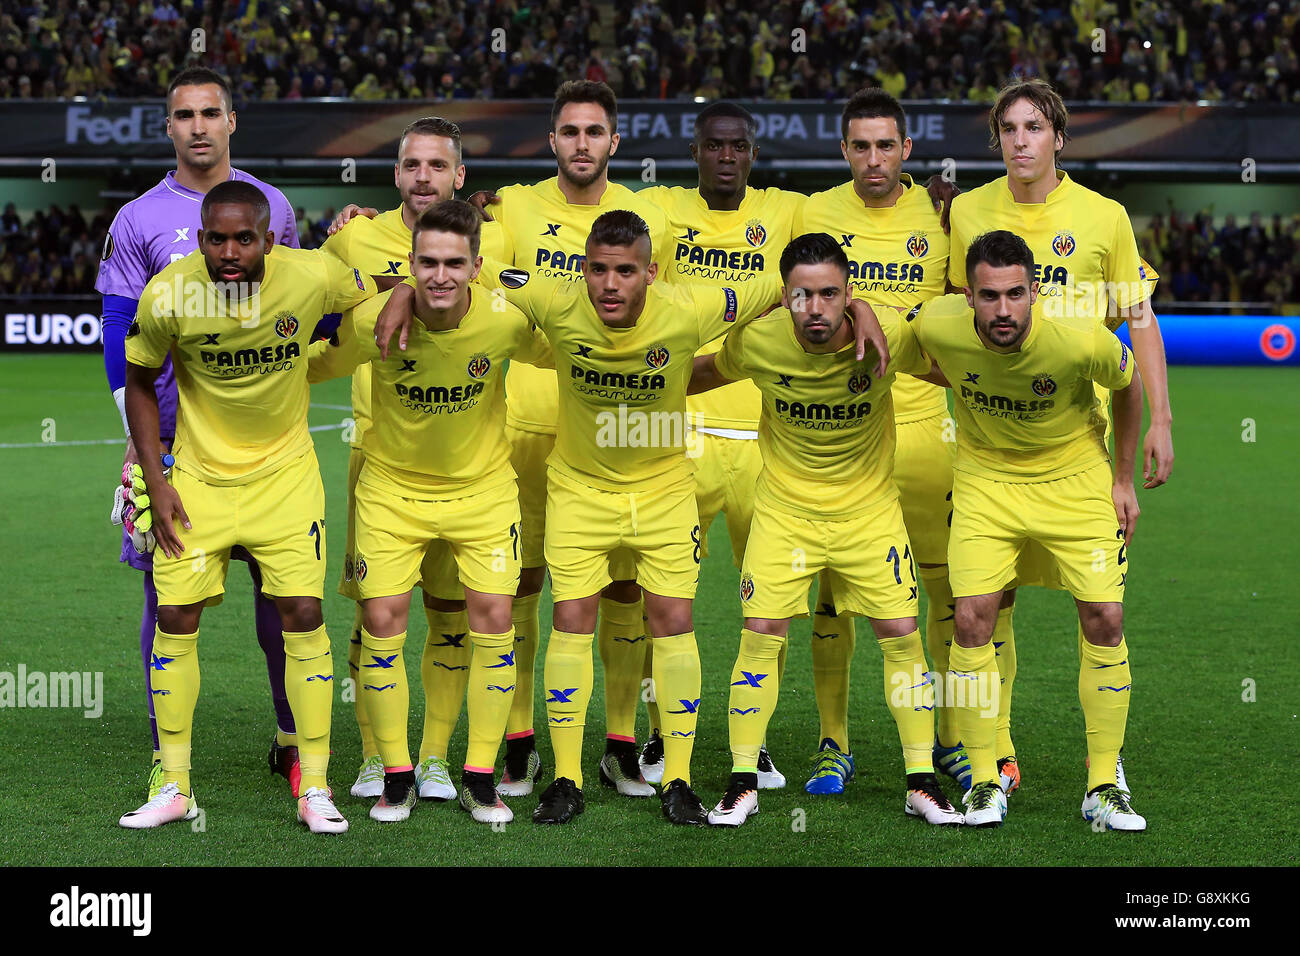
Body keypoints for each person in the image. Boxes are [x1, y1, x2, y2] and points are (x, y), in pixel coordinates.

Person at [375, 210, 890, 825]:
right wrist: (404, 289)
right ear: (582, 271)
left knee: (673, 621)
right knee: (572, 618)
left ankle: (676, 778)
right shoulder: (551, 297)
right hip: (579, 490)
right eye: (598, 270)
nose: (610, 285)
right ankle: (565, 779)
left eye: (625, 272)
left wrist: (861, 310)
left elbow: (786, 288)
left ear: (651, 272)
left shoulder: (694, 307)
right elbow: (467, 278)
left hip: (665, 490)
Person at [117, 181, 377, 833]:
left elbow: (372, 292)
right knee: (174, 616)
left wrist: (367, 246)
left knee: (303, 614)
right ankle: (174, 784)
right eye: (215, 238)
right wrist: (158, 477)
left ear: (269, 238)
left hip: (286, 480)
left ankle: (314, 786)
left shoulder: (311, 272)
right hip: (198, 482)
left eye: (243, 238)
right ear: (201, 235)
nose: (228, 251)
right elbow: (142, 383)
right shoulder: (170, 291)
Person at [688, 232, 964, 828]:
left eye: (830, 295)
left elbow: (952, 370)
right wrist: (624, 377)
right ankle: (742, 782)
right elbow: (701, 374)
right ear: (782, 297)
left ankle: (920, 781)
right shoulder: (756, 341)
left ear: (849, 295)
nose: (815, 309)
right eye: (801, 296)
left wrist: (1004, 385)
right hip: (785, 513)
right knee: (760, 633)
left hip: (870, 513)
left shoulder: (887, 334)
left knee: (900, 634)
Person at [947, 78, 1170, 795]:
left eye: (1034, 128)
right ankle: (998, 757)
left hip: (1082, 440)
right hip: (992, 440)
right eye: (1008, 129)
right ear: (997, 140)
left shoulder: (1104, 218)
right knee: (989, 602)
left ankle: (1105, 772)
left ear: (1058, 137)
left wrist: (1155, 426)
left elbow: (1137, 323)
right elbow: (956, 319)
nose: (1021, 141)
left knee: (1101, 608)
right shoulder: (969, 212)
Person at [96, 67, 303, 805]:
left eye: (211, 112)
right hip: (173, 448)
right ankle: (167, 760)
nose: (198, 126)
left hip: (267, 448)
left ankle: (291, 743)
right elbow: (119, 330)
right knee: (166, 599)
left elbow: (300, 304)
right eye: (184, 114)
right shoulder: (137, 218)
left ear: (232, 120)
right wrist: (138, 441)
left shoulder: (270, 205)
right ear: (169, 127)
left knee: (282, 599)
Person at [308, 200, 551, 824]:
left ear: (476, 266)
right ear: (408, 263)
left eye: (454, 264)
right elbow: (309, 366)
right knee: (383, 622)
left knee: (493, 617)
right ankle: (395, 776)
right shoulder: (371, 322)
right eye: (427, 263)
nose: (440, 276)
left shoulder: (506, 321)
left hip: (484, 492)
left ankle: (477, 778)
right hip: (391, 491)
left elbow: (575, 340)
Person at [470, 81, 675, 800]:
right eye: (568, 131)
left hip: (622, 436)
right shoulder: (515, 207)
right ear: (551, 141)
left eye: (594, 132)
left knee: (627, 587)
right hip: (525, 426)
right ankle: (521, 739)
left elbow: (667, 319)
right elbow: (473, 268)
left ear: (614, 142)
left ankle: (621, 742)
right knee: (527, 585)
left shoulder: (650, 219)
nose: (581, 143)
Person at [910, 230, 1146, 831]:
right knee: (970, 620)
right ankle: (986, 782)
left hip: (1074, 476)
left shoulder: (1079, 339)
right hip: (987, 480)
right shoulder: (937, 323)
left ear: (1035, 291)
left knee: (1105, 617)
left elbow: (1129, 383)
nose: (1004, 310)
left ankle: (1103, 784)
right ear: (967, 297)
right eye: (989, 297)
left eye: (1016, 294)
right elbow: (899, 335)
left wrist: (1123, 479)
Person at [633, 100, 807, 789]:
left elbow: (863, 230)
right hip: (678, 436)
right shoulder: (659, 209)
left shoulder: (789, 211)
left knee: (768, 605)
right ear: (696, 152)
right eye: (714, 146)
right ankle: (657, 735)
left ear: (753, 154)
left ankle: (754, 739)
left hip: (766, 443)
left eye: (738, 146)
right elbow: (596, 232)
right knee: (665, 598)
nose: (726, 156)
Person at [795, 88, 965, 796]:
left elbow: (966, 306)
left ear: (907, 150)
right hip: (846, 432)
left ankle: (951, 738)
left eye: (885, 145)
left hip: (927, 427)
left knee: (945, 594)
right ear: (844, 151)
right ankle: (834, 742)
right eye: (859, 146)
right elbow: (799, 300)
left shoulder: (944, 214)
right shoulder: (815, 214)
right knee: (833, 598)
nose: (873, 159)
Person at [320, 116, 474, 802]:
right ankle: (378, 756)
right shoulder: (354, 237)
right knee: (374, 616)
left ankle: (436, 757)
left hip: (462, 459)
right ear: (395, 174)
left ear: (459, 177)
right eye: (411, 165)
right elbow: (311, 307)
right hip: (377, 455)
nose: (423, 177)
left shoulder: (480, 242)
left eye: (437, 166)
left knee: (450, 611)